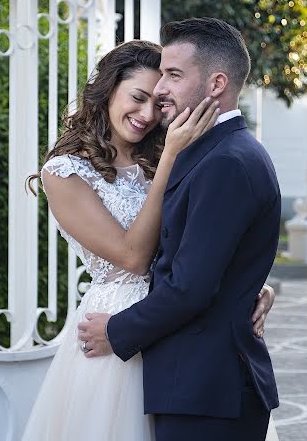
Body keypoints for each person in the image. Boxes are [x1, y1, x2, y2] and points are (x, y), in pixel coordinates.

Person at [22, 39, 278, 440]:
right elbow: (133, 255)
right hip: (114, 331)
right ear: (108, 91)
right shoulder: (65, 172)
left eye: (157, 104)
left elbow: (200, 245)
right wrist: (171, 158)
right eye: (137, 98)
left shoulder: (168, 155)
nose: (146, 115)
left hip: (179, 330)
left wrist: (249, 285)